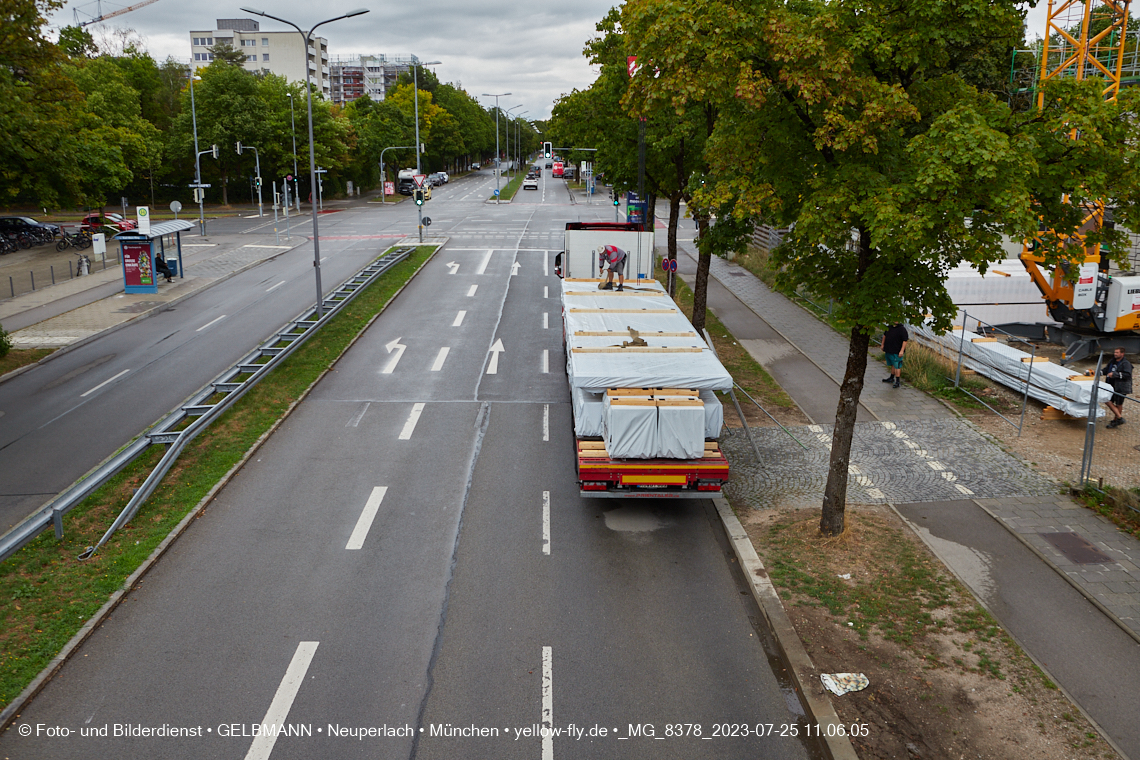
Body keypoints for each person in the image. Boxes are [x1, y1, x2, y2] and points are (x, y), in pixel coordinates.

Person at [1101, 348, 1133, 428]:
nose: (1115, 354)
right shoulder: (1112, 361)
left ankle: (1116, 420)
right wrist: (1098, 372)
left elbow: (1127, 375)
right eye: (1115, 352)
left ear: (1122, 354)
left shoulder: (1126, 363)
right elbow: (1106, 370)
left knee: (1119, 403)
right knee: (1107, 400)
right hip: (1111, 385)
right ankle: (1119, 417)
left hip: (1121, 387)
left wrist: (1115, 375)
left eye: (1117, 352)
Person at [880, 322, 908, 388]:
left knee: (897, 365)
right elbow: (884, 336)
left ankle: (898, 381)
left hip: (897, 351)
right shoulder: (889, 327)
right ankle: (891, 378)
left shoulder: (902, 329)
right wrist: (882, 344)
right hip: (889, 350)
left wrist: (902, 351)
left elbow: (905, 340)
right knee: (892, 364)